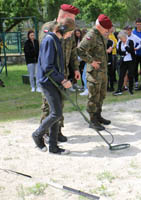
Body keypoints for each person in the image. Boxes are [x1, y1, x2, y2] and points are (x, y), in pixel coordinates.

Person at [32, 18, 75, 155]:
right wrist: (63, 80)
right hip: (47, 82)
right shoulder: (50, 40)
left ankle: (53, 147)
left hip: (54, 82)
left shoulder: (56, 40)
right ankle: (37, 135)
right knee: (56, 113)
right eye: (70, 33)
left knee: (57, 114)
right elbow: (47, 67)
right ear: (63, 30)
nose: (70, 36)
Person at [39, 4, 81, 143]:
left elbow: (73, 51)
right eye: (71, 18)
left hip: (64, 74)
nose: (73, 22)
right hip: (51, 75)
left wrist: (75, 69)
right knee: (49, 106)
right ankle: (44, 132)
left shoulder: (69, 29)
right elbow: (45, 53)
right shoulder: (49, 28)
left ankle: (57, 131)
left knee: (60, 105)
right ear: (63, 16)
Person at [77, 14, 113, 131]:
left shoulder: (100, 34)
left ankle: (98, 116)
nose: (107, 30)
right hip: (94, 73)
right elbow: (80, 50)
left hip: (102, 71)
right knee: (94, 97)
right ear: (99, 25)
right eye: (105, 28)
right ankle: (92, 120)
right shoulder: (91, 35)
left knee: (101, 96)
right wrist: (91, 61)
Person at [113, 30, 135, 96]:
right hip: (123, 61)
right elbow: (119, 52)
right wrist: (125, 52)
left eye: (121, 38)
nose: (120, 39)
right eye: (120, 38)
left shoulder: (130, 42)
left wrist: (126, 47)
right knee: (121, 75)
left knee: (130, 75)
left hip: (131, 61)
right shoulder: (120, 43)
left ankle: (131, 89)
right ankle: (119, 89)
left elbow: (131, 51)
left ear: (125, 37)